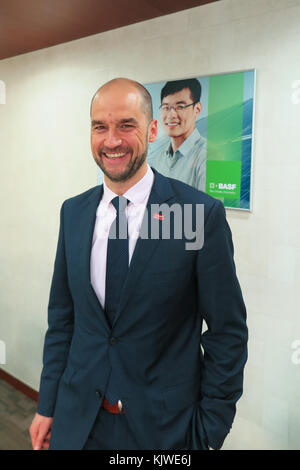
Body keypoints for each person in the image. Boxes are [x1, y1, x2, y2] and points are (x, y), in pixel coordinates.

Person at [29, 77, 248, 451]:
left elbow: (227, 333)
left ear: (151, 130)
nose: (112, 140)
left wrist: (210, 431)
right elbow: (63, 320)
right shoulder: (75, 212)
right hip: (78, 421)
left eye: (126, 125)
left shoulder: (195, 214)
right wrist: (47, 404)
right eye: (100, 126)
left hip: (163, 431)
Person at [151, 78, 207, 192]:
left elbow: (211, 208)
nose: (171, 115)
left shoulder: (211, 156)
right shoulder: (158, 159)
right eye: (166, 107)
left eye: (180, 107)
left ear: (197, 109)